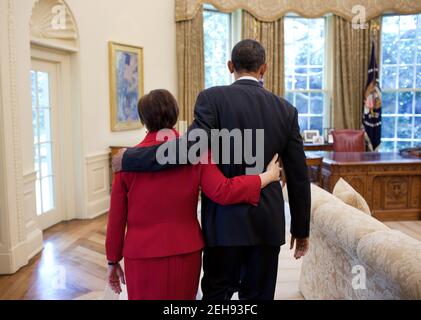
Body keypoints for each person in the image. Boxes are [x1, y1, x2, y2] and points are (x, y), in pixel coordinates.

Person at [113, 40, 311, 300]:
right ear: (265, 68)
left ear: (230, 66)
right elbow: (299, 176)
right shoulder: (286, 110)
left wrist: (129, 158)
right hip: (267, 225)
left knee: (216, 297)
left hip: (223, 224)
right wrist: (301, 229)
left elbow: (187, 149)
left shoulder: (212, 99)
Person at [106, 89, 282, 300]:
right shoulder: (197, 152)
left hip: (141, 252)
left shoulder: (125, 161)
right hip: (186, 249)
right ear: (176, 115)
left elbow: (116, 219)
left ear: (143, 119)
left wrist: (112, 260)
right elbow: (223, 190)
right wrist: (266, 177)